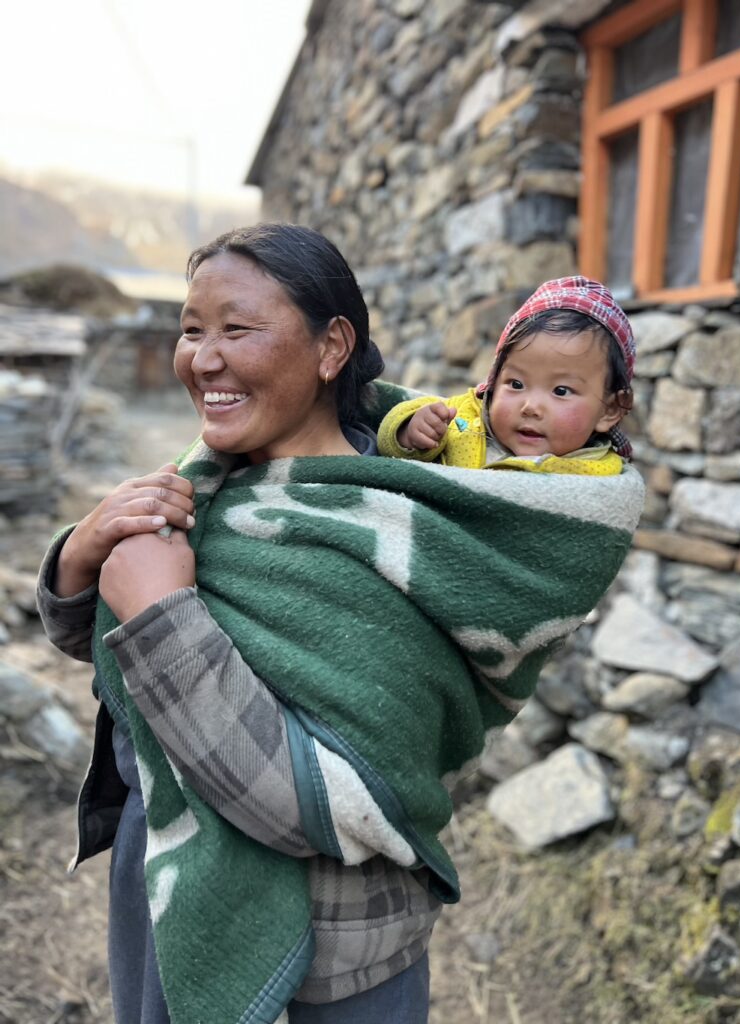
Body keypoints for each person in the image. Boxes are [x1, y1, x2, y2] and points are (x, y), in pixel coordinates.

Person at [37, 229, 645, 1024]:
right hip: (165, 880)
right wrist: (79, 561)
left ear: (332, 347)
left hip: (328, 959)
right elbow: (126, 665)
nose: (203, 358)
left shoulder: (396, 529)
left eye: (237, 329)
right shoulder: (209, 478)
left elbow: (305, 799)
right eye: (192, 330)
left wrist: (160, 614)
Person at [378, 276, 635, 476]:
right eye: (516, 384)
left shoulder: (600, 475)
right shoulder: (462, 419)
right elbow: (391, 450)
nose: (531, 407)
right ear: (493, 380)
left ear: (609, 410)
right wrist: (411, 433)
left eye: (561, 391)